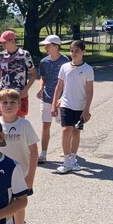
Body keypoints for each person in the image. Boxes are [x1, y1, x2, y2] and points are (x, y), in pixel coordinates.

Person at [0, 89, 39, 224]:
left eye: (12, 102)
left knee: (18, 205)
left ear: (19, 105)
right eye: (4, 102)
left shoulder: (24, 125)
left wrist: (30, 177)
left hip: (20, 173)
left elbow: (34, 151)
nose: (8, 106)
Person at [51, 40, 94, 174]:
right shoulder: (64, 67)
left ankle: (73, 159)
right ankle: (66, 161)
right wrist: (54, 104)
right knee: (65, 130)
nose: (74, 53)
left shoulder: (88, 69)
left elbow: (90, 91)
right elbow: (59, 86)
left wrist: (86, 109)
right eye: (72, 51)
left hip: (80, 105)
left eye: (77, 51)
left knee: (76, 131)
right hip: (66, 104)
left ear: (83, 52)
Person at [36, 35, 69, 163]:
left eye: (48, 45)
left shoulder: (65, 61)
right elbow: (43, 77)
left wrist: (64, 96)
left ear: (56, 46)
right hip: (47, 97)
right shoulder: (44, 61)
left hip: (62, 99)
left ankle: (68, 149)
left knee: (65, 125)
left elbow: (68, 80)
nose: (45, 47)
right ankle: (43, 153)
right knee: (45, 125)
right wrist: (40, 88)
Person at [0, 31, 37, 118]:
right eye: (2, 42)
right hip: (4, 94)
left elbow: (34, 74)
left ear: (12, 41)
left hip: (20, 95)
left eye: (4, 42)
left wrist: (26, 90)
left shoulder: (24, 54)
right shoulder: (1, 55)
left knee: (20, 122)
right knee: (4, 123)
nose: (2, 44)